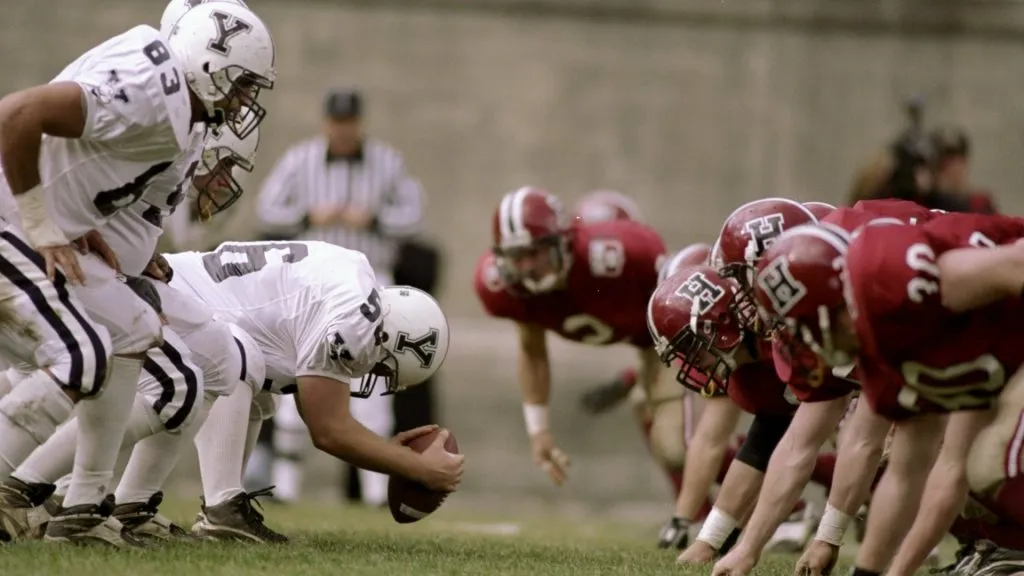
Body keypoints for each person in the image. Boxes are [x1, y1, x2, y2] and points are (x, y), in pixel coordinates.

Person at [0, 0, 274, 546]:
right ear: (205, 60)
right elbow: (16, 114)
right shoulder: (157, 91)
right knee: (87, 358)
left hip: (37, 231)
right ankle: (22, 487)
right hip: (11, 225)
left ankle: (82, 513)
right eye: (240, 82)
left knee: (132, 331)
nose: (246, 98)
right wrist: (43, 223)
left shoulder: (174, 103)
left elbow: (76, 164)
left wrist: (70, 223)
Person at [746, 213, 1024, 576]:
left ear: (832, 305)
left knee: (991, 462)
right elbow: (915, 475)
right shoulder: (882, 349)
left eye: (801, 324)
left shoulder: (893, 283)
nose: (797, 340)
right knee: (962, 464)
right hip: (1003, 351)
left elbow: (1017, 263)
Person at [149, 239, 461, 541]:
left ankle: (135, 505)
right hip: (164, 295)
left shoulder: (354, 283)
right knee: (237, 358)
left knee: (260, 394)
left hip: (176, 289)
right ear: (390, 338)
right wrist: (418, 467)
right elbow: (327, 429)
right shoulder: (357, 322)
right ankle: (221, 508)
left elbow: (315, 404)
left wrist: (391, 453)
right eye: (382, 367)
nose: (372, 373)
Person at [254, 88, 425, 506]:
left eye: (349, 122)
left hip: (371, 282)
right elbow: (267, 210)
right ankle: (286, 487)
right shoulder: (301, 159)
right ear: (326, 122)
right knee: (300, 376)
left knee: (373, 384)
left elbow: (414, 216)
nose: (343, 130)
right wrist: (309, 216)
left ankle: (374, 492)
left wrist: (376, 219)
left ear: (359, 123)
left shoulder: (388, 162)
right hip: (314, 284)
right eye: (337, 122)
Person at [474, 186, 670, 487]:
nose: (526, 267)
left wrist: (635, 375)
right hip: (649, 347)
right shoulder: (505, 287)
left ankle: (710, 516)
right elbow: (532, 349)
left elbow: (680, 311)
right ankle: (698, 518)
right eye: (516, 256)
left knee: (677, 441)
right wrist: (538, 430)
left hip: (680, 343)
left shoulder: (624, 255)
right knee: (663, 433)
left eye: (534, 252)